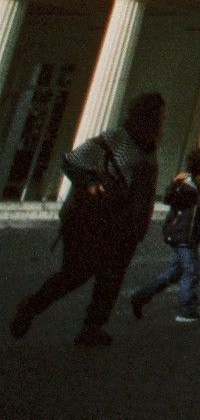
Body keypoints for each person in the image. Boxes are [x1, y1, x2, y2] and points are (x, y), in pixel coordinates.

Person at [11, 92, 165, 347]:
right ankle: (31, 306)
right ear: (142, 115)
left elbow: (145, 189)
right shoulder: (117, 138)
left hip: (125, 223)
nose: (159, 121)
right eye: (155, 115)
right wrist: (91, 181)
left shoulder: (149, 147)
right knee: (77, 272)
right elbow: (72, 161)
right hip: (93, 218)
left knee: (112, 277)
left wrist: (140, 225)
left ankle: (93, 328)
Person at [129, 146, 200, 322]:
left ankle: (140, 296)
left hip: (196, 233)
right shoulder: (186, 183)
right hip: (181, 232)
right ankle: (186, 311)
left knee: (174, 273)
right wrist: (175, 183)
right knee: (192, 270)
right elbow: (169, 198)